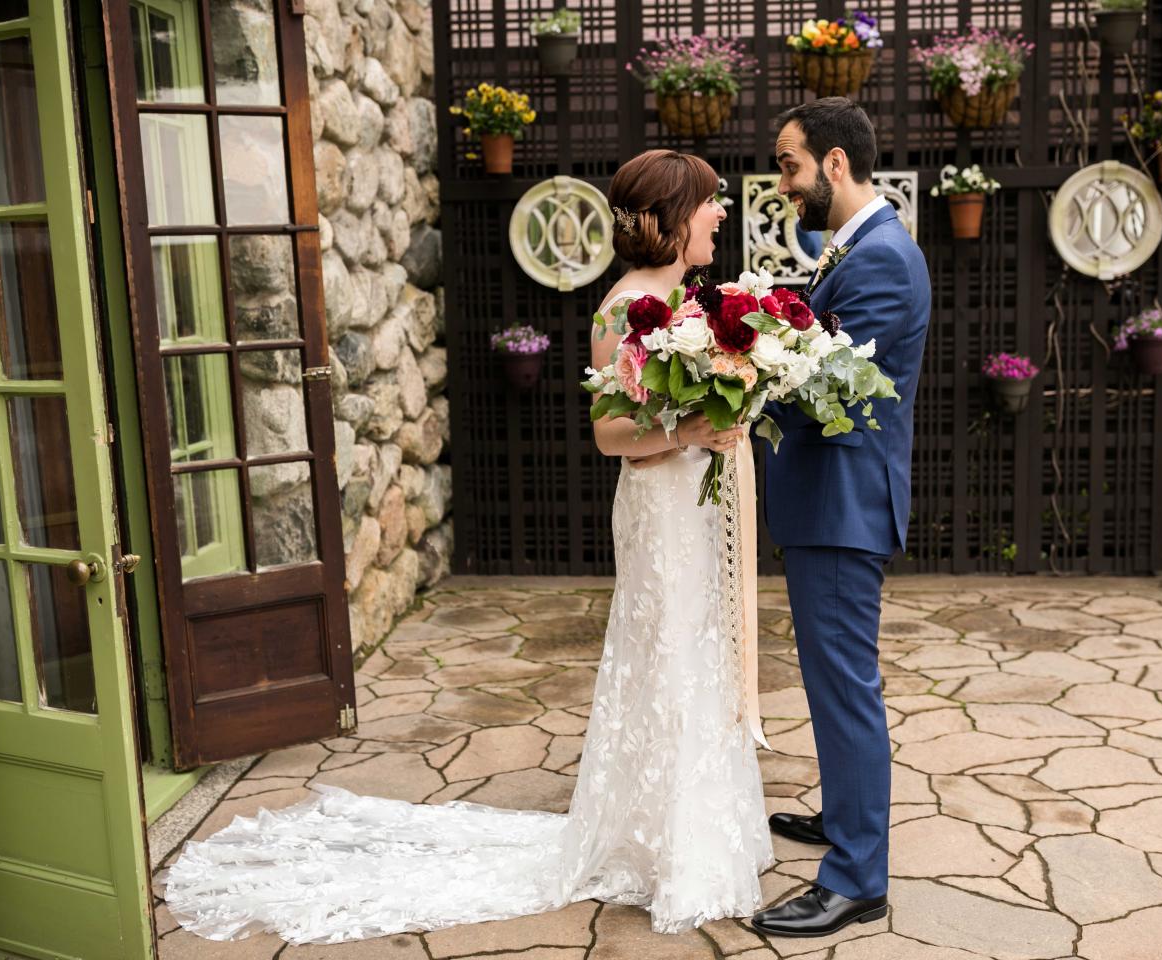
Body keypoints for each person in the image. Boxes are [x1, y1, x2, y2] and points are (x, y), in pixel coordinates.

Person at [156, 149, 774, 945]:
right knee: (667, 655)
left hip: (693, 501)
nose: (720, 215)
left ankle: (689, 832)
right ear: (670, 215)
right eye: (710, 204)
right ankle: (670, 850)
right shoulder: (622, 313)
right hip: (657, 510)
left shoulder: (692, 303)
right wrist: (690, 427)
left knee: (699, 652)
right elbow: (612, 434)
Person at [752, 98, 931, 939]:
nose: (783, 183)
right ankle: (844, 818)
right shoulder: (850, 249)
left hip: (843, 505)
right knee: (832, 687)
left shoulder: (885, 260)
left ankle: (857, 876)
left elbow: (828, 392)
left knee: (845, 689)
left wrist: (738, 381)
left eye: (788, 165)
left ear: (832, 163)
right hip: (827, 502)